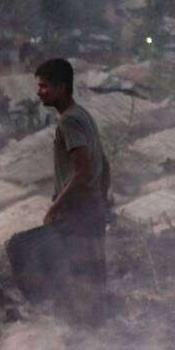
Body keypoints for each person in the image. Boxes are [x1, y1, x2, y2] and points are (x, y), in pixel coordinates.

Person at [34, 58, 111, 315]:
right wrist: (101, 200)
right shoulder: (84, 115)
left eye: (45, 86)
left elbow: (83, 170)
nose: (39, 92)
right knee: (95, 275)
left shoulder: (68, 121)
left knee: (80, 280)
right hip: (91, 209)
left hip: (78, 213)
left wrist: (55, 207)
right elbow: (104, 164)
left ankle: (88, 336)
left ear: (62, 87)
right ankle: (102, 333)